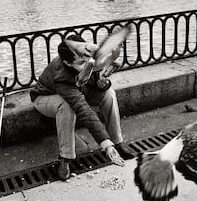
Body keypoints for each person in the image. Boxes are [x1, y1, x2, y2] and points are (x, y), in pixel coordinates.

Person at [30, 34, 136, 180]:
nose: (86, 63)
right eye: (81, 62)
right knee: (66, 105)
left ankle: (117, 141)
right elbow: (82, 109)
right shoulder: (62, 76)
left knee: (109, 94)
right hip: (44, 98)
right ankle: (65, 157)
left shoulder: (87, 58)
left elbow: (95, 78)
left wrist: (103, 84)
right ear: (67, 63)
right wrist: (104, 142)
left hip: (78, 91)